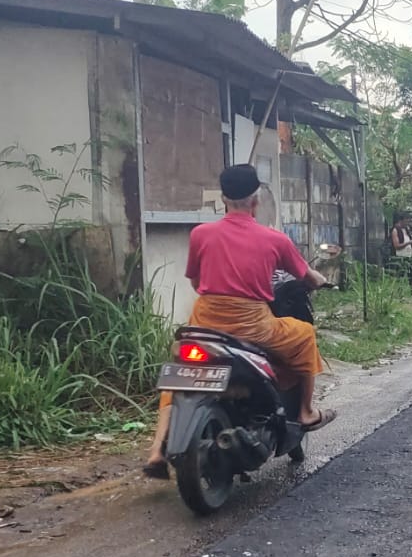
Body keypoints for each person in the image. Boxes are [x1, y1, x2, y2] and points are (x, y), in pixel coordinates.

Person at [142, 164, 333, 479]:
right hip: (253, 326)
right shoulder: (275, 239)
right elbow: (308, 277)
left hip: (205, 324)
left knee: (182, 375)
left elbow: (196, 282)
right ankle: (306, 411)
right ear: (256, 201)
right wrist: (320, 280)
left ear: (223, 199)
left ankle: (156, 450)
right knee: (305, 334)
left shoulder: (201, 234)